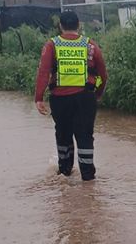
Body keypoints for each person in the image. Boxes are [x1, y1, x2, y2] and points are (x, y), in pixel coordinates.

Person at [34, 10, 107, 181]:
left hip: (60, 100)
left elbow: (43, 72)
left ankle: (65, 172)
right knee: (85, 136)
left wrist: (39, 97)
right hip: (85, 98)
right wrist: (97, 93)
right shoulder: (90, 45)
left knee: (63, 134)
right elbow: (102, 74)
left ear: (60, 26)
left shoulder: (52, 45)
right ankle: (88, 177)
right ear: (79, 25)